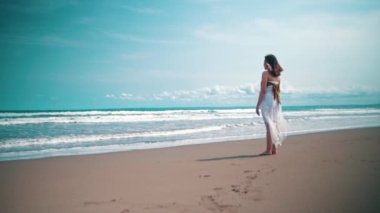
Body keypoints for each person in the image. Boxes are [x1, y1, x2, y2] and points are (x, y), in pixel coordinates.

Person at [256, 54, 287, 155]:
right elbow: (278, 91)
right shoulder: (278, 76)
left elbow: (263, 91)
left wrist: (258, 105)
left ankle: (268, 150)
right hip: (276, 102)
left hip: (268, 101)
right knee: (274, 124)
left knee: (269, 125)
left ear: (268, 62)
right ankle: (274, 149)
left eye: (264, 61)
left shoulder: (265, 74)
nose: (263, 63)